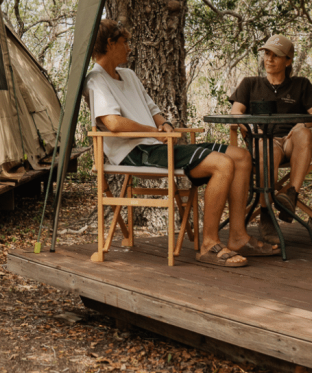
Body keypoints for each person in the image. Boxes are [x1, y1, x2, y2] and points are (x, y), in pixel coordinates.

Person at [86, 19, 278, 267]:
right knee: (222, 164)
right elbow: (112, 122)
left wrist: (163, 124)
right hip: (134, 151)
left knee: (240, 156)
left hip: (157, 143)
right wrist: (153, 132)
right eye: (125, 43)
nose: (129, 48)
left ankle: (238, 236)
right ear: (110, 44)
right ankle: (208, 244)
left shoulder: (129, 75)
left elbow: (152, 108)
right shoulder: (96, 79)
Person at [229, 34, 312, 238]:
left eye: (276, 56)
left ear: (288, 61)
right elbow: (236, 113)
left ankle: (291, 194)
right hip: (264, 141)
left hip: (292, 143)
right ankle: (266, 213)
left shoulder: (301, 85)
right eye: (266, 54)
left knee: (304, 132)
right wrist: (254, 126)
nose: (269, 59)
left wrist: (299, 125)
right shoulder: (250, 84)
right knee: (266, 147)